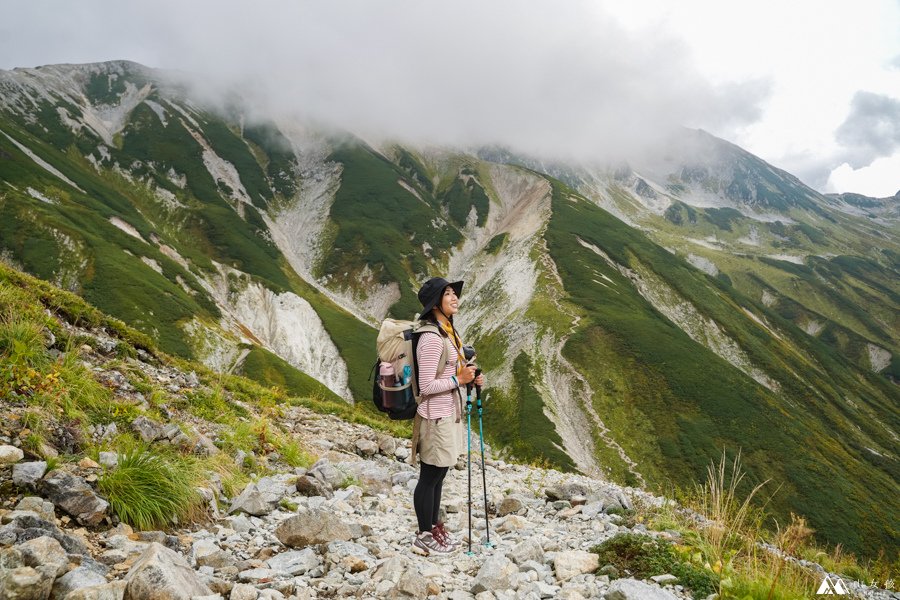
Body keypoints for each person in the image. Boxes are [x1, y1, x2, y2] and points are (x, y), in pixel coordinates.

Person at [411, 277, 485, 556]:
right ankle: (423, 534)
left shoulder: (449, 333)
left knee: (439, 474)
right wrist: (458, 379)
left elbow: (452, 375)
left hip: (448, 414)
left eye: (455, 293)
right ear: (435, 303)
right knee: (430, 475)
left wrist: (469, 380)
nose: (455, 298)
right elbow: (427, 387)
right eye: (448, 294)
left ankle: (434, 526)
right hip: (434, 417)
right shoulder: (431, 338)